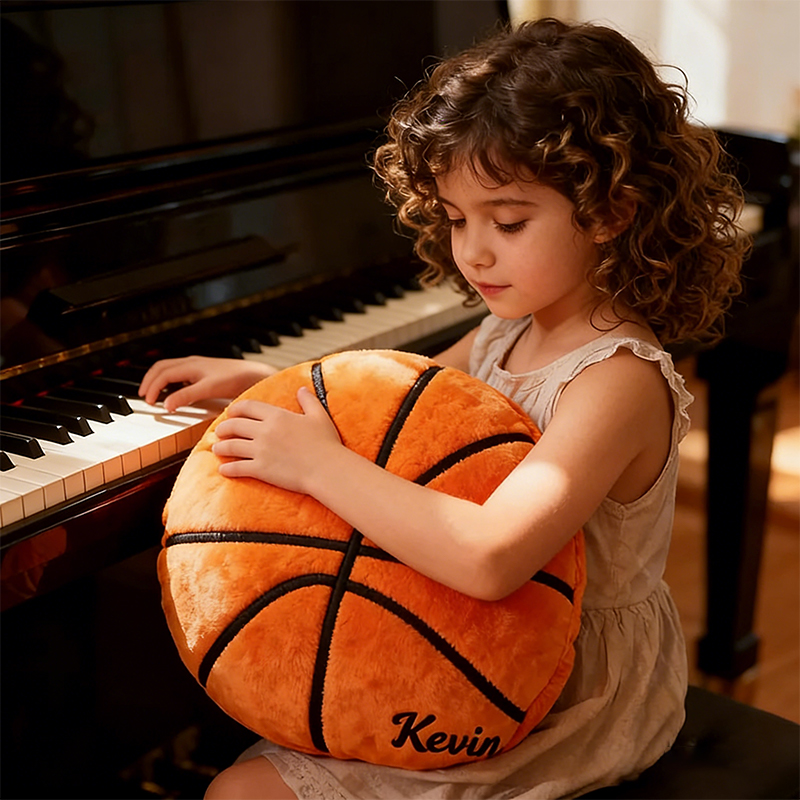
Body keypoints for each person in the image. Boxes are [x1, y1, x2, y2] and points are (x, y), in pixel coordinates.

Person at [139, 17, 747, 799]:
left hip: (558, 686)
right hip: (461, 632)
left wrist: (319, 464)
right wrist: (265, 376)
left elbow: (492, 557)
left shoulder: (616, 379)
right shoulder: (510, 328)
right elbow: (399, 400)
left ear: (610, 212)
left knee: (238, 792)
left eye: (509, 221)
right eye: (458, 220)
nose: (474, 252)